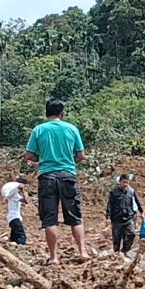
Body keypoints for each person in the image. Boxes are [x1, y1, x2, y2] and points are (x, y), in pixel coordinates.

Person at [25, 98, 89, 263]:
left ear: (46, 113)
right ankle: (82, 252)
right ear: (62, 113)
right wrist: (68, 163)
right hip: (68, 175)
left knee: (49, 218)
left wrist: (44, 158)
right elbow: (81, 155)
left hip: (47, 176)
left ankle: (54, 257)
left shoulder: (38, 130)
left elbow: (29, 155)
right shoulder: (71, 129)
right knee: (75, 216)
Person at [106, 173, 143, 256]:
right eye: (124, 182)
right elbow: (109, 205)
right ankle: (116, 254)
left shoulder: (131, 192)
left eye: (127, 182)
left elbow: (137, 202)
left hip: (129, 217)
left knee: (131, 233)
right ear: (119, 182)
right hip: (117, 219)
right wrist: (108, 217)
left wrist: (141, 212)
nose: (125, 184)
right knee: (117, 238)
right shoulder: (113, 192)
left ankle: (126, 251)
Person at [1, 177, 29, 245]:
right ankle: (20, 248)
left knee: (14, 238)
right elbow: (26, 201)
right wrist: (21, 189)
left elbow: (26, 200)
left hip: (13, 218)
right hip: (14, 218)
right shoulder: (14, 195)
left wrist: (23, 190)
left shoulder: (15, 195)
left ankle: (12, 247)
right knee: (22, 236)